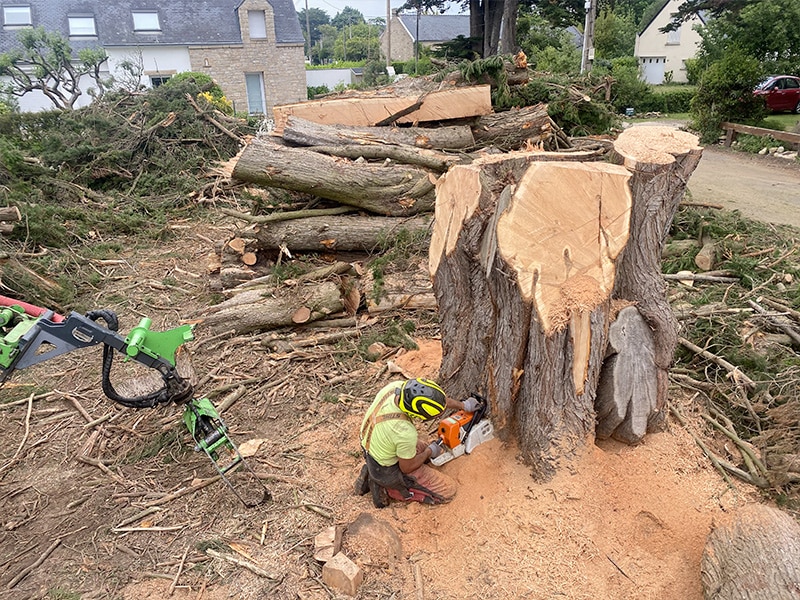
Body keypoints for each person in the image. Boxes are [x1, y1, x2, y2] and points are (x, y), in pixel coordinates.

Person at [354, 377, 480, 508]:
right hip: (387, 469)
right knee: (449, 490)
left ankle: (371, 469)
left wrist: (463, 405)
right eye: (435, 415)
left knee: (422, 446)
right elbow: (407, 467)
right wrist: (429, 452)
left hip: (372, 446)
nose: (440, 414)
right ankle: (389, 487)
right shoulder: (404, 432)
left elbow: (437, 401)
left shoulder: (396, 388)